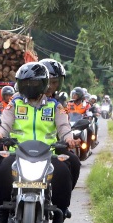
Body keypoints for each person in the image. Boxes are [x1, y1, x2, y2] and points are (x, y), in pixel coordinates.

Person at [0, 62, 80, 223]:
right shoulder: (14, 103)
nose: (30, 87)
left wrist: (69, 139)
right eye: (26, 84)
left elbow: (64, 127)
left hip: (48, 153)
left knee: (64, 172)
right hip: (17, 152)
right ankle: (1, 213)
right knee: (1, 171)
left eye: (34, 84)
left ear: (44, 84)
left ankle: (59, 222)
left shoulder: (55, 106)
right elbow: (5, 125)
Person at [39, 58, 81, 191]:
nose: (50, 86)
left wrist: (68, 138)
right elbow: (6, 118)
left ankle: (63, 202)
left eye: (55, 82)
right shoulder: (20, 98)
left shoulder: (58, 103)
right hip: (21, 146)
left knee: (74, 162)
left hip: (52, 146)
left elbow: (63, 124)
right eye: (48, 82)